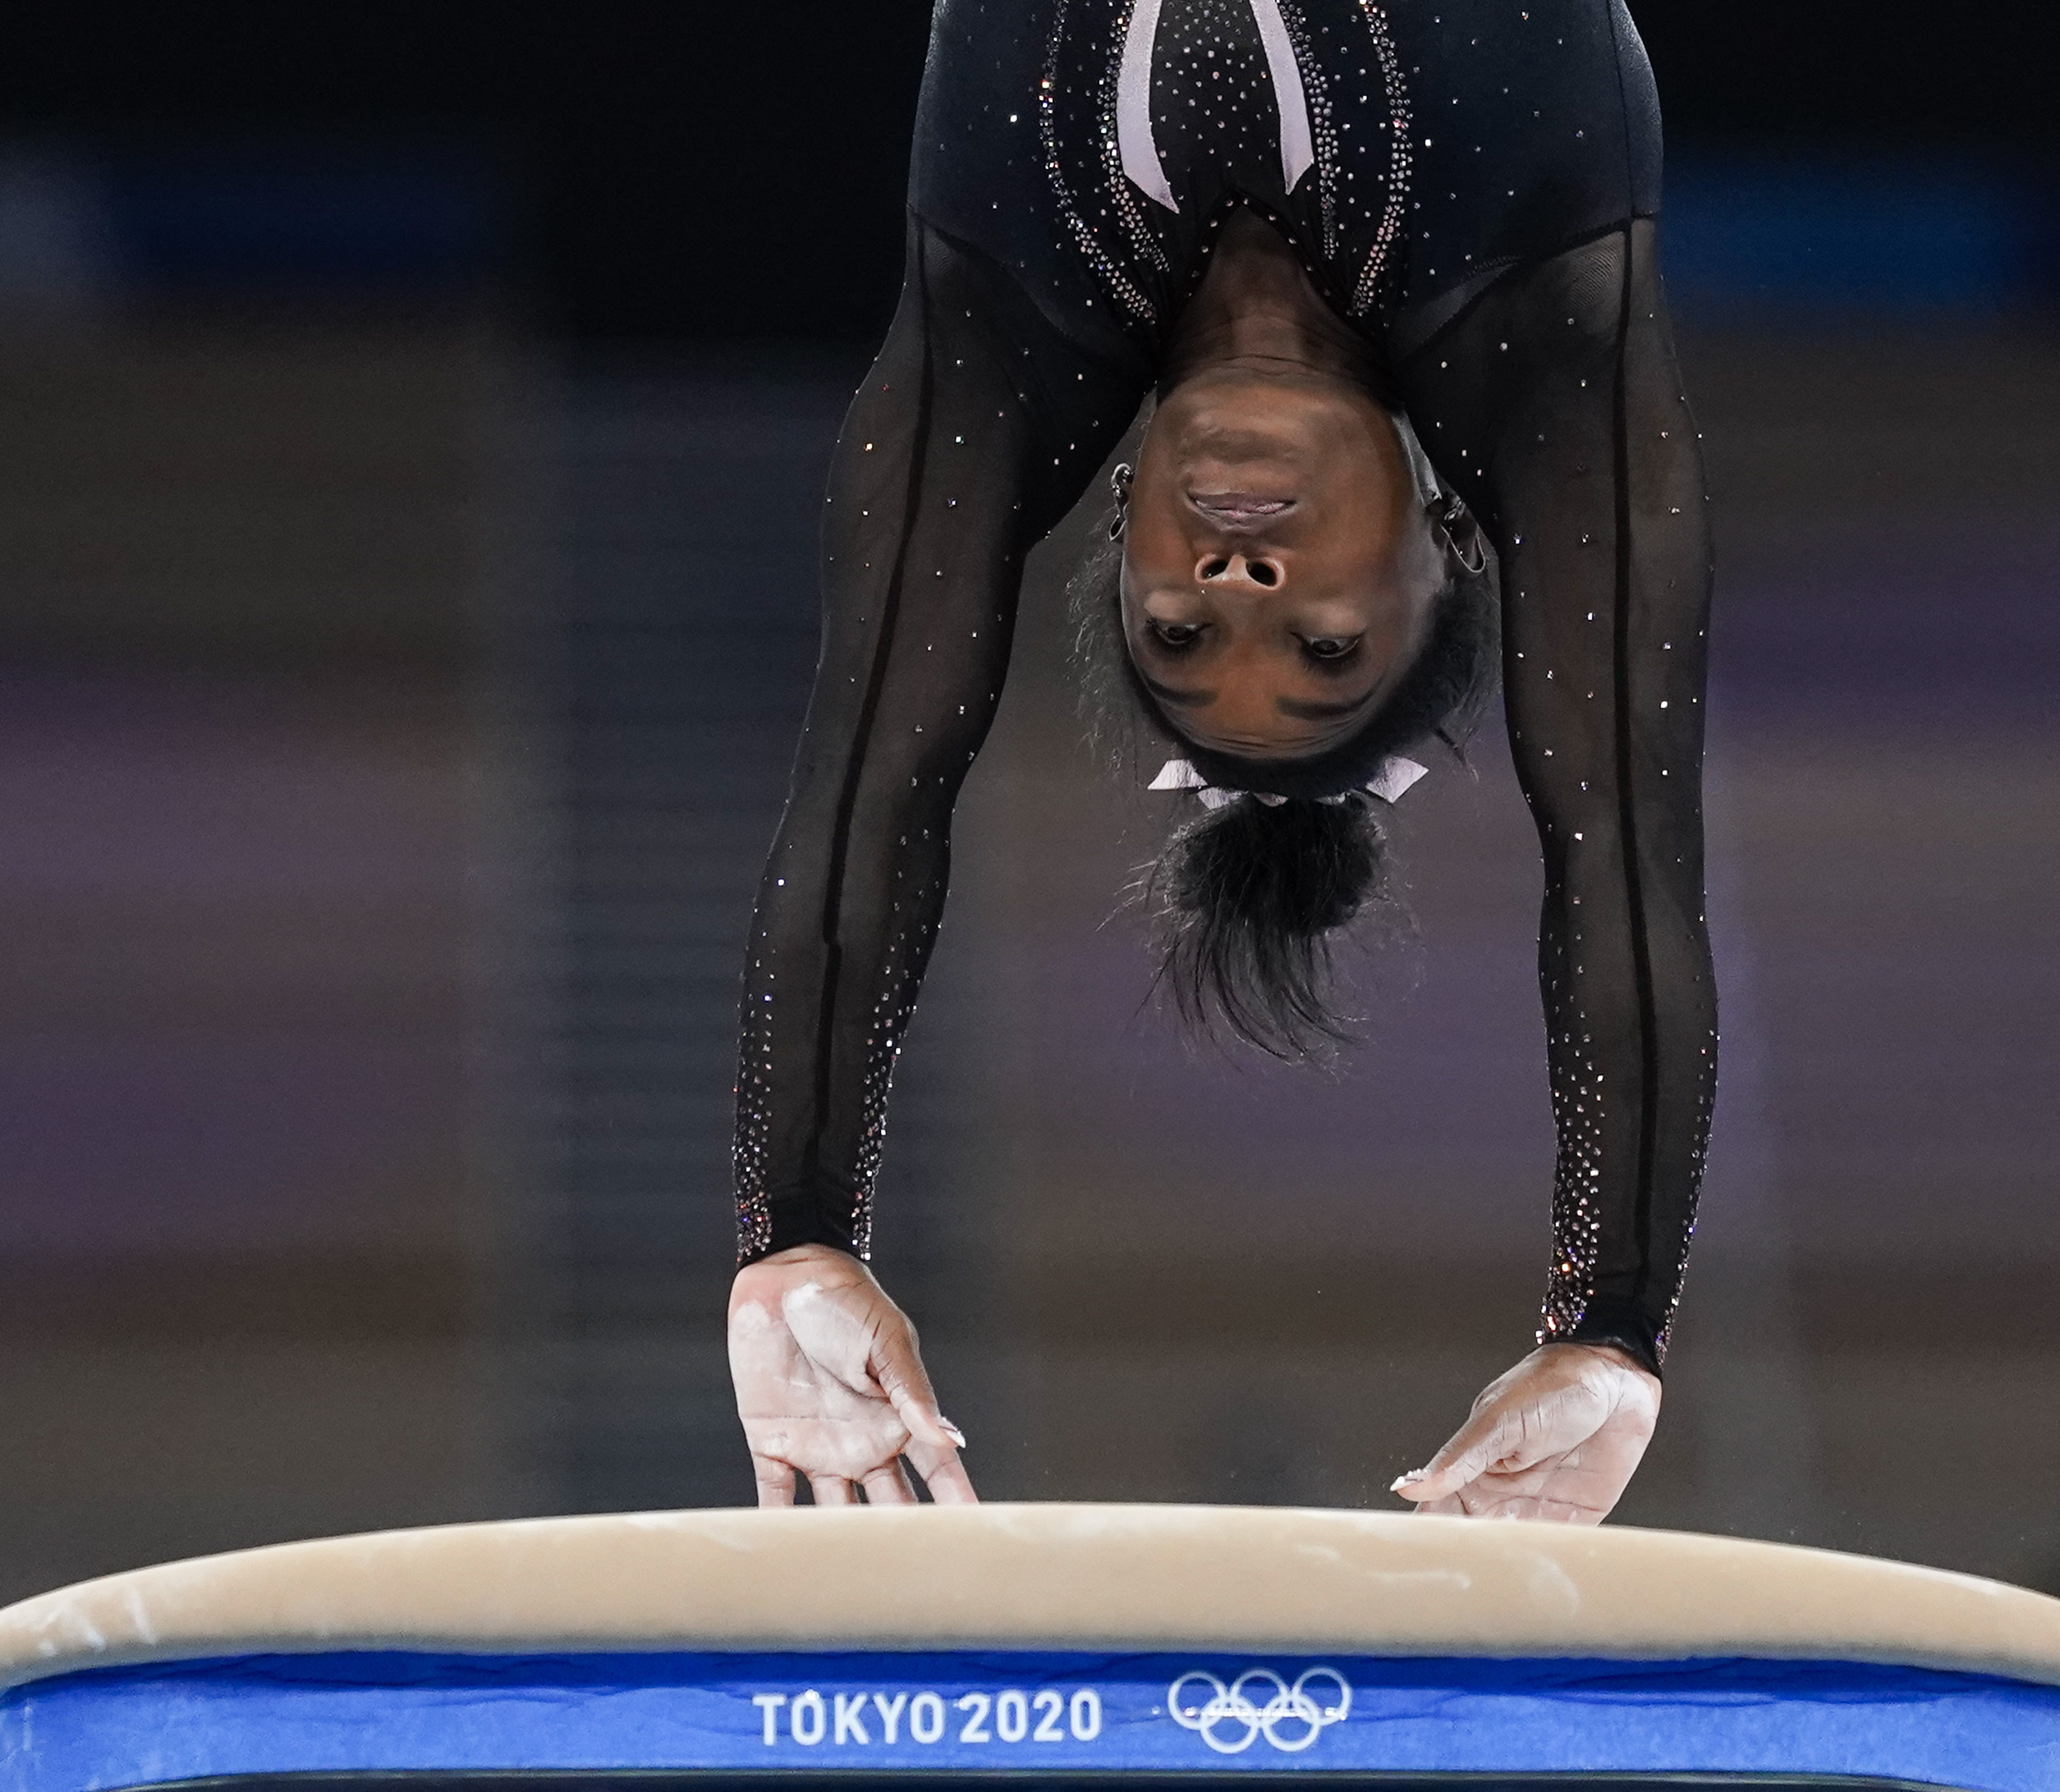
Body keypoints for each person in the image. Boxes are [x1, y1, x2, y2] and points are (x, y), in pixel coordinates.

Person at [727, 0, 1712, 1523]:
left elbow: (874, 775)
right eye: (1326, 649)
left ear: (1121, 522)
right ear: (1454, 540)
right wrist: (1613, 1320)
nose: (1238, 590)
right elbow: (1621, 840)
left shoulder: (1011, 321)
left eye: (1177, 637)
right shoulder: (1541, 322)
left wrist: (794, 1232)